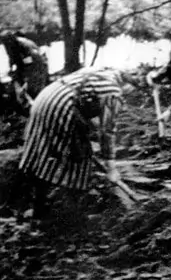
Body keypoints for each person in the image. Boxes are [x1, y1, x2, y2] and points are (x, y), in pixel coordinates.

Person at [15, 67, 133, 224]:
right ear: (126, 85)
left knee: (43, 155)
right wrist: (111, 169)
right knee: (80, 159)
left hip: (45, 100)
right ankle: (72, 215)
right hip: (62, 107)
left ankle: (38, 210)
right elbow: (107, 131)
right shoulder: (113, 91)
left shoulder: (102, 72)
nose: (125, 99)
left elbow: (88, 111)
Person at [1, 30, 50, 115]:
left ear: (12, 39)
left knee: (33, 89)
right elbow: (12, 58)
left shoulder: (23, 45)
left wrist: (26, 81)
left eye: (7, 41)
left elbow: (30, 64)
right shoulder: (11, 45)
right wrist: (11, 70)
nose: (6, 44)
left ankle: (38, 111)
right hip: (28, 64)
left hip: (36, 65)